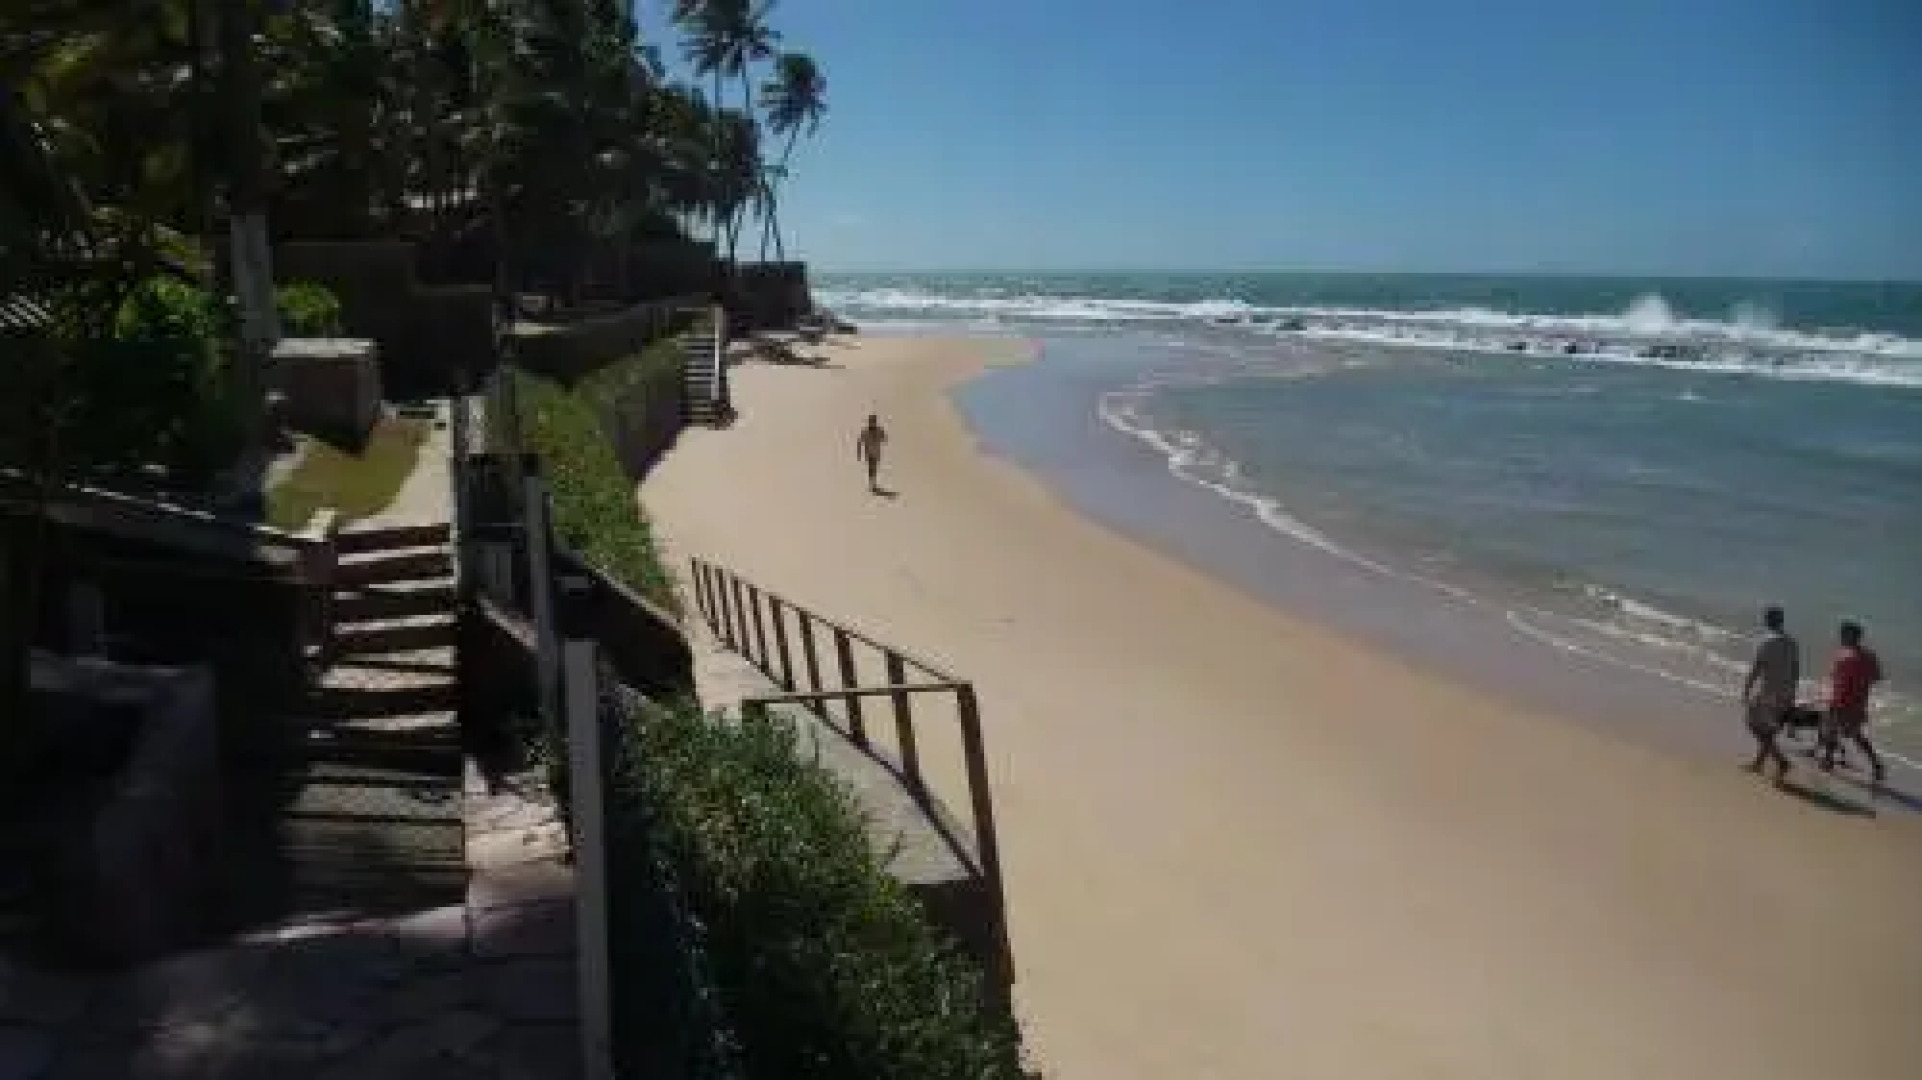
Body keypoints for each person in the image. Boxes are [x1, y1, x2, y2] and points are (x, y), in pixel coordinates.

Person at [1820, 621, 1886, 789]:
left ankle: (1828, 761)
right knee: (1856, 736)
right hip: (1859, 702)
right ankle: (1876, 764)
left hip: (1841, 701)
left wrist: (1834, 700)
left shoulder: (1845, 656)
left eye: (1843, 634)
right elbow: (1876, 677)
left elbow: (1838, 679)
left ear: (1850, 636)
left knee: (1830, 731)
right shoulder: (1871, 656)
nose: (1840, 637)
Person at [1741, 605, 1798, 781]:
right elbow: (1795, 671)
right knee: (1768, 730)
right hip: (1786, 694)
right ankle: (1759, 763)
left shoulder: (1766, 641)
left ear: (1767, 620)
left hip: (1768, 694)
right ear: (1781, 621)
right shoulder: (1792, 643)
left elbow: (1757, 668)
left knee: (1753, 724)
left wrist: (1746, 690)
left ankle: (1781, 762)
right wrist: (1792, 696)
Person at [855, 413, 889, 492]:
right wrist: (859, 453)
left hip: (876, 453)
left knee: (874, 468)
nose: (872, 423)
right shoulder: (866, 431)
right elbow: (860, 441)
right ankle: (872, 484)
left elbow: (884, 438)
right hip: (870, 453)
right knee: (871, 468)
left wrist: (881, 437)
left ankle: (873, 483)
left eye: (874, 421)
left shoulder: (878, 430)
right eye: (871, 421)